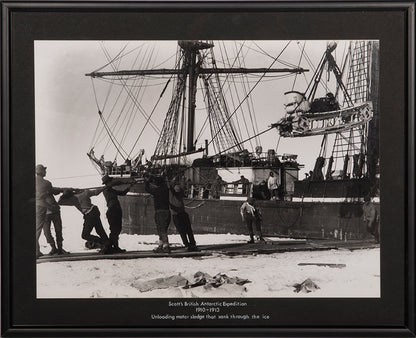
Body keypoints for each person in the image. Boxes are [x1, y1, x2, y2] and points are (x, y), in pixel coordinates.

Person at [58, 186, 112, 253]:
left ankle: (105, 243)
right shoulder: (85, 192)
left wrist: (64, 193)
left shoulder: (73, 199)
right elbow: (96, 192)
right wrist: (105, 187)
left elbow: (60, 202)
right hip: (94, 210)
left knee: (85, 235)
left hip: (89, 214)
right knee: (100, 230)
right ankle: (107, 245)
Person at [35, 164, 69, 257]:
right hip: (53, 210)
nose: (46, 172)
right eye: (44, 170)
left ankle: (53, 248)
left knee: (46, 232)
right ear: (41, 171)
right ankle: (59, 249)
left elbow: (52, 190)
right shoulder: (47, 183)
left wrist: (59, 190)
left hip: (43, 212)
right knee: (58, 230)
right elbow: (53, 190)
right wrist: (63, 190)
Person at [102, 175, 134, 253]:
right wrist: (126, 181)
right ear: (108, 182)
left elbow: (122, 193)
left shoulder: (111, 190)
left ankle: (113, 247)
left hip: (115, 210)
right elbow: (113, 184)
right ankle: (108, 246)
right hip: (113, 211)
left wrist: (130, 186)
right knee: (115, 230)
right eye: (110, 180)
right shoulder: (106, 189)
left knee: (117, 230)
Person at [144, 174, 171, 253]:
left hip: (160, 212)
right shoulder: (166, 189)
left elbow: (148, 189)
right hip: (167, 211)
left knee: (161, 229)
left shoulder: (157, 191)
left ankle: (166, 246)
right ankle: (161, 245)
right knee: (163, 229)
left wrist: (147, 182)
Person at [169, 180, 198, 251]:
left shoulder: (173, 193)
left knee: (183, 231)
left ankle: (189, 244)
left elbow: (173, 187)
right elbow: (180, 186)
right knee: (187, 230)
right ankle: (191, 244)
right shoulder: (176, 192)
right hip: (179, 213)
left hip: (178, 214)